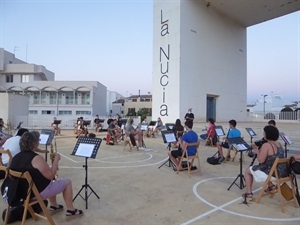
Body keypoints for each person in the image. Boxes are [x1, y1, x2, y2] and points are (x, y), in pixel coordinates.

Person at [9, 131, 83, 221]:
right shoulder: (36, 158)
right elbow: (51, 175)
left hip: (22, 193)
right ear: (34, 143)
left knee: (51, 182)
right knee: (67, 182)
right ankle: (71, 210)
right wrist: (56, 160)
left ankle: (54, 206)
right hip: (34, 193)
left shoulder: (16, 157)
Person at [243, 125, 284, 201]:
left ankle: (249, 193)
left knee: (248, 171)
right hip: (280, 172)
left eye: (264, 133)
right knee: (266, 168)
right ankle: (271, 186)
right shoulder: (279, 144)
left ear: (267, 134)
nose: (263, 134)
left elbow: (261, 161)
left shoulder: (266, 145)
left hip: (271, 173)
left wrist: (257, 151)